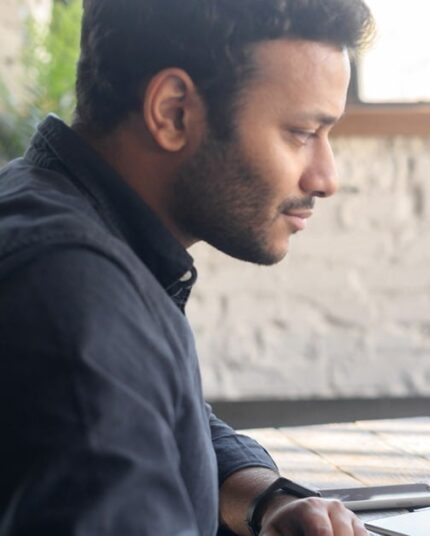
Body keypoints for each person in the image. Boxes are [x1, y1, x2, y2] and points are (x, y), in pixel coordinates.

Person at [0, 2, 374, 535]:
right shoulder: (77, 301)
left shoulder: (53, 215)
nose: (326, 177)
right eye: (300, 132)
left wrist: (266, 501)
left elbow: (165, 419)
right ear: (174, 112)